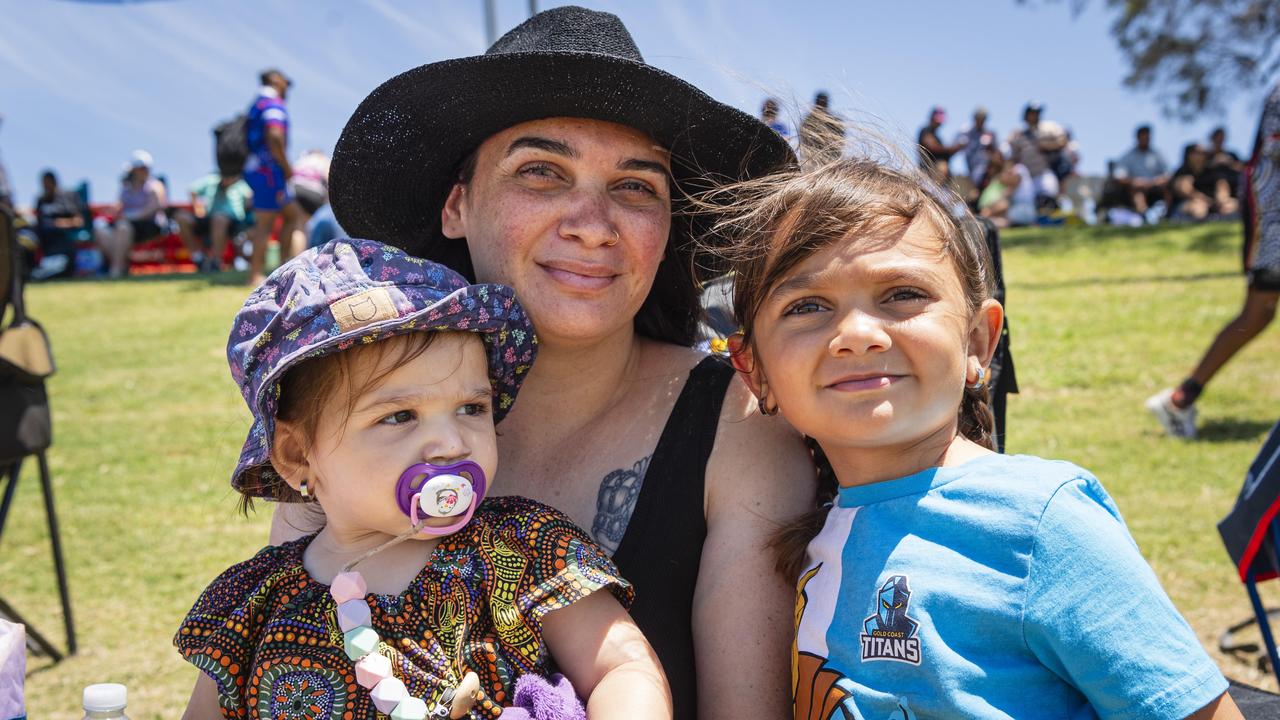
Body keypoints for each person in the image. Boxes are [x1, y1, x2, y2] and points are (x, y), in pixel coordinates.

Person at [323, 7, 813, 719]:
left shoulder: (740, 426)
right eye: (543, 173)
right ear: (456, 206)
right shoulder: (348, 408)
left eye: (636, 185)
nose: (591, 223)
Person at [705, 156, 1240, 719]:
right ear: (755, 372)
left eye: (902, 294)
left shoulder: (1040, 523)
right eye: (807, 306)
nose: (856, 335)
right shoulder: (813, 537)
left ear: (978, 343)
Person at [177, 238, 671, 719]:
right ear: (295, 455)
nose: (452, 443)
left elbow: (623, 669)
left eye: (471, 408)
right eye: (399, 417)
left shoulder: (523, 548)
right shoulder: (252, 606)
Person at [1147, 80, 1280, 439]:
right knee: (1260, 309)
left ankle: (1180, 398)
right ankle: (1179, 399)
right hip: (1274, 215)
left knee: (1261, 311)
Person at [243, 68, 301, 286]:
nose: (288, 87)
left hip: (260, 170)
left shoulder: (256, 103)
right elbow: (275, 136)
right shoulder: (272, 104)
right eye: (286, 82)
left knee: (292, 215)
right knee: (265, 224)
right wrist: (287, 167)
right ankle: (255, 275)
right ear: (276, 81)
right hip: (268, 171)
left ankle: (282, 269)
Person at [95, 150, 167, 278]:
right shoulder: (126, 188)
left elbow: (154, 207)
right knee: (100, 228)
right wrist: (112, 212)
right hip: (126, 225)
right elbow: (119, 205)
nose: (142, 171)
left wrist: (129, 217)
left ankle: (116, 270)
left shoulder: (154, 185)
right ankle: (121, 263)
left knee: (123, 227)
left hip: (149, 225)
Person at [174, 171, 252, 272]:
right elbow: (192, 190)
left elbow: (250, 200)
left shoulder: (240, 183)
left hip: (234, 223)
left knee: (219, 219)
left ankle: (215, 262)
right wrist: (198, 209)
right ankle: (198, 258)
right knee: (181, 217)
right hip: (209, 219)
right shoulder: (211, 180)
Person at [1006, 102, 1070, 207]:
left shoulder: (1049, 128)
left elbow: (1063, 141)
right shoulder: (1018, 134)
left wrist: (1047, 146)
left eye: (1036, 113)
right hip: (1026, 176)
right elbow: (1013, 156)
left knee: (1049, 196)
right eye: (1032, 113)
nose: (1034, 116)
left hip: (1044, 172)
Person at [32, 169, 85, 277]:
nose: (46, 187)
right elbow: (38, 221)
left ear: (54, 182)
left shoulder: (66, 196)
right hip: (44, 239)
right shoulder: (41, 200)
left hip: (63, 238)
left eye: (48, 183)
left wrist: (58, 223)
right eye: (43, 184)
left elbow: (78, 221)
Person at [1113, 124, 1172, 219]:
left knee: (1168, 188)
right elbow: (1118, 176)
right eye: (1143, 136)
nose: (1146, 139)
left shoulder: (1157, 154)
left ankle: (1167, 215)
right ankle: (1143, 215)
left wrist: (1156, 182)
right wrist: (1134, 181)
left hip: (1156, 186)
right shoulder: (1128, 156)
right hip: (1137, 188)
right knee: (1137, 191)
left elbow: (1168, 174)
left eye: (1147, 137)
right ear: (1137, 138)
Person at [1171, 143, 1238, 221]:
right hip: (1187, 205)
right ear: (1189, 155)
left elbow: (1222, 185)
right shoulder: (1183, 171)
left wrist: (1221, 200)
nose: (1201, 156)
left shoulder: (1212, 171)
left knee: (1231, 205)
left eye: (1203, 153)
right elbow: (1185, 190)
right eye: (1198, 153)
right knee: (1198, 208)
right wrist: (1207, 201)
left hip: (1213, 205)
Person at [916, 106, 962, 182]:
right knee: (942, 166)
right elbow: (933, 147)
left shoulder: (938, 137)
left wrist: (956, 149)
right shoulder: (926, 131)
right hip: (927, 171)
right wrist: (952, 148)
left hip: (939, 178)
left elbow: (945, 153)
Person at [955, 106, 997, 189]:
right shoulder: (966, 133)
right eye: (978, 118)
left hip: (984, 173)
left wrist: (990, 146)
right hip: (969, 169)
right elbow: (955, 147)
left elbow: (996, 152)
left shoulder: (990, 134)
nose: (980, 121)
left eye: (983, 119)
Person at [799, 91, 845, 165]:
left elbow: (840, 142)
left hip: (827, 160)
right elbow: (804, 141)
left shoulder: (834, 121)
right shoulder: (808, 120)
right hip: (813, 159)